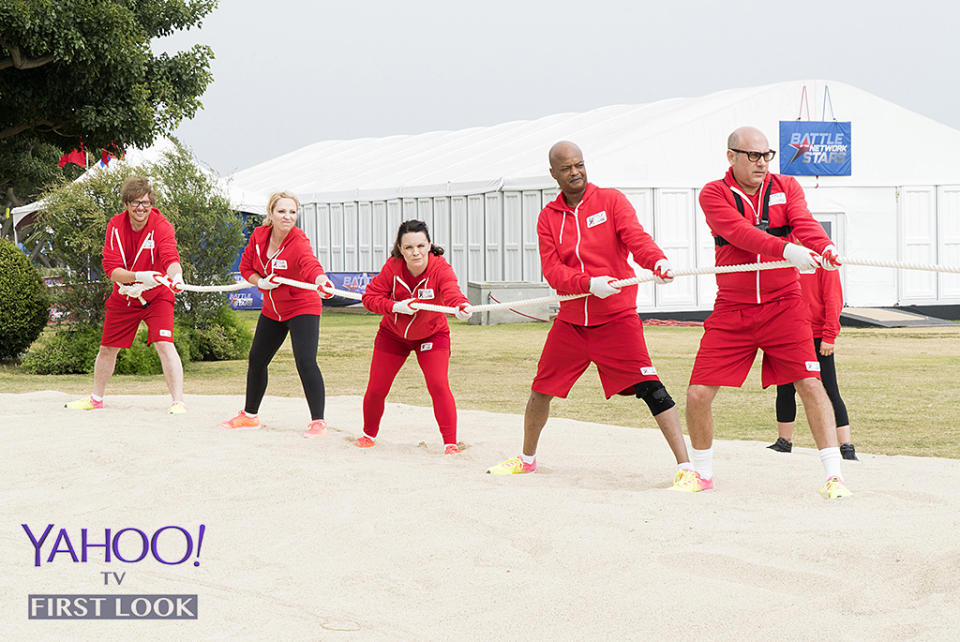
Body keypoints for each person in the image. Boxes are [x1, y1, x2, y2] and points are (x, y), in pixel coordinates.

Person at [486, 141, 695, 489]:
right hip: (571, 323)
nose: (576, 173)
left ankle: (686, 467)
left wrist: (656, 260)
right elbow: (553, 272)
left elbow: (635, 238)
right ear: (554, 174)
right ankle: (526, 460)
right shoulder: (548, 218)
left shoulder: (611, 200)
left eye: (579, 165)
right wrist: (588, 283)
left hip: (617, 318)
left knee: (652, 388)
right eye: (566, 168)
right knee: (541, 390)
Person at [686, 126, 851, 498]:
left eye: (767, 155)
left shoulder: (787, 186)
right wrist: (788, 250)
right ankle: (702, 474)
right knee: (697, 394)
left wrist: (824, 247)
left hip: (784, 304)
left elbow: (804, 223)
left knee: (811, 384)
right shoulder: (714, 193)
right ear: (731, 156)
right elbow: (741, 233)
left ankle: (834, 476)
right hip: (733, 307)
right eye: (753, 156)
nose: (762, 163)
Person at [65, 176, 187, 414]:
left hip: (157, 294)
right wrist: (140, 276)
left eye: (145, 202)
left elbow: (170, 257)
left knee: (165, 344)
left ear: (151, 203)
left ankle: (178, 402)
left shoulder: (162, 225)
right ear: (125, 204)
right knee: (107, 348)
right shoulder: (115, 225)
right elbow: (112, 271)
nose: (141, 208)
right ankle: (96, 398)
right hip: (125, 294)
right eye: (135, 203)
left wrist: (177, 276)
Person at [218, 191, 335, 437]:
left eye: (292, 212)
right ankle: (250, 416)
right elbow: (246, 268)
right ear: (270, 214)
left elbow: (310, 264)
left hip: (302, 306)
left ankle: (318, 421)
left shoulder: (299, 241)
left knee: (305, 361)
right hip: (273, 309)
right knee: (257, 359)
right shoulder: (259, 236)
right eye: (281, 211)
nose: (287, 216)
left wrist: (321, 280)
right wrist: (260, 282)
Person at [355, 219, 472, 454]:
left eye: (420, 245)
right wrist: (395, 306)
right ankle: (368, 435)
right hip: (392, 335)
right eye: (408, 247)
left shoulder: (441, 269)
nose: (415, 252)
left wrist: (461, 306)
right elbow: (369, 298)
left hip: (432, 335)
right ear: (400, 248)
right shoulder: (393, 267)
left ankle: (450, 443)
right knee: (377, 387)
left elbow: (451, 292)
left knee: (438, 384)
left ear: (429, 245)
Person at [769, 256, 857, 460]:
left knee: (828, 389)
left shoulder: (823, 262)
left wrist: (829, 335)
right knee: (784, 387)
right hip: (788, 333)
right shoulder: (785, 259)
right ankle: (784, 441)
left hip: (816, 335)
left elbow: (833, 299)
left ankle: (846, 446)